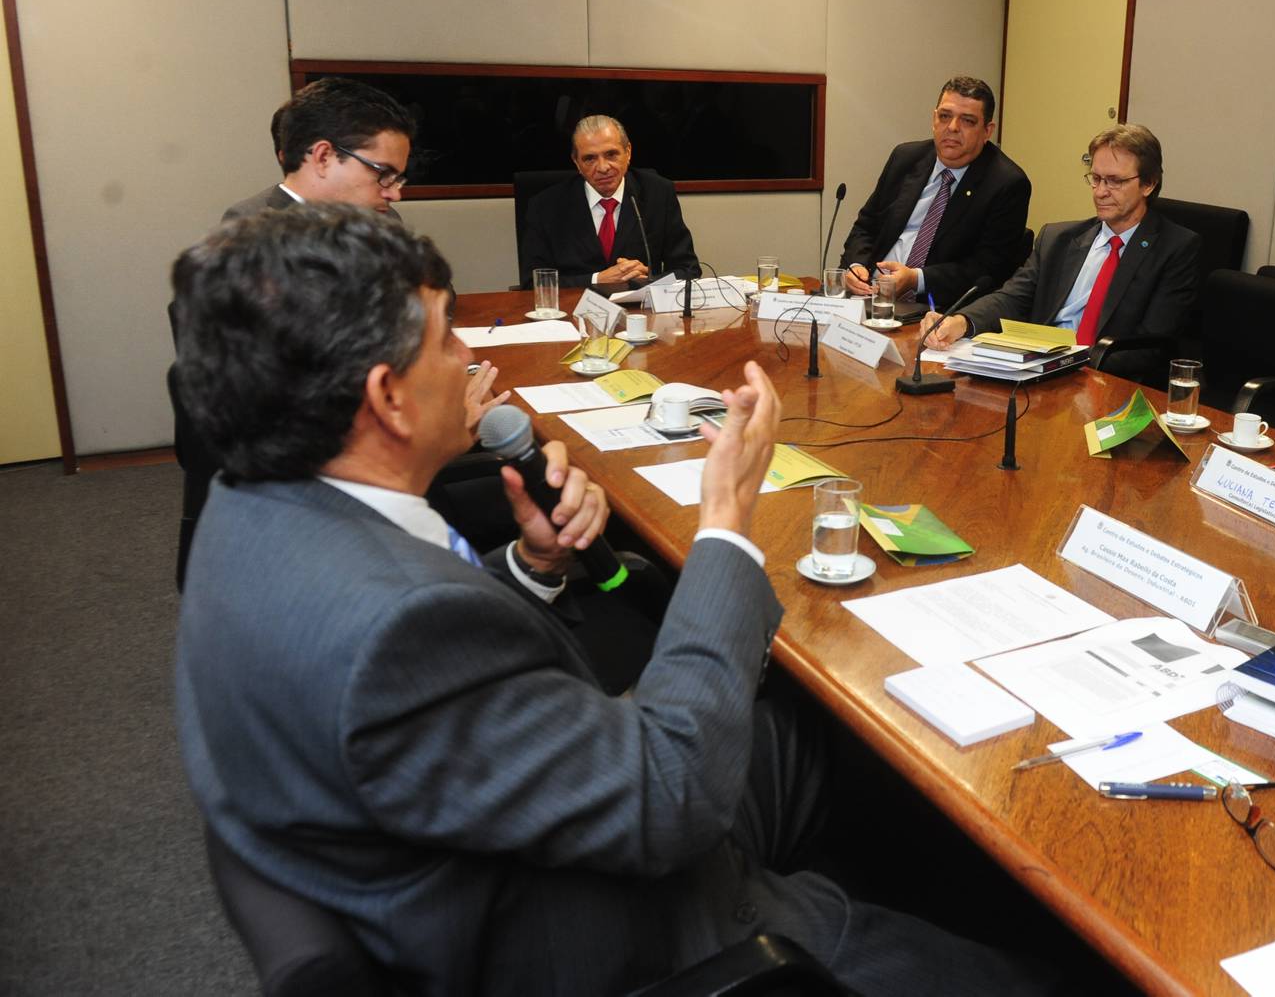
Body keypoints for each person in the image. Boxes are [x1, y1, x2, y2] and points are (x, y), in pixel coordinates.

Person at [171, 205, 1038, 995]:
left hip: (518, 802)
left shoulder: (248, 510)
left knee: (831, 721)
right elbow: (674, 794)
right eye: (444, 338)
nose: (468, 357)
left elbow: (436, 690)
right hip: (628, 919)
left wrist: (530, 565)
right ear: (386, 398)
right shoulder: (395, 630)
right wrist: (726, 522)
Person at [922, 124, 1199, 383]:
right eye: (1096, 179)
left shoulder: (1176, 248)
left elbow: (1152, 345)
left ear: (1148, 184)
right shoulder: (1058, 239)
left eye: (1114, 181)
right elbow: (1013, 298)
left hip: (1104, 378)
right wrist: (961, 322)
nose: (1100, 192)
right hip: (1037, 371)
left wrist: (1070, 362)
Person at [840, 76, 1031, 304]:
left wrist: (916, 279)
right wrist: (856, 266)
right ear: (934, 119)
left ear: (987, 131)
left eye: (967, 121)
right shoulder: (905, 158)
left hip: (935, 308)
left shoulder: (1007, 183)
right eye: (945, 116)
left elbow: (988, 269)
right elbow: (866, 226)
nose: (952, 128)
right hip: (868, 295)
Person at [519, 114, 700, 288]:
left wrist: (651, 280)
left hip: (640, 307)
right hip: (574, 306)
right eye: (590, 158)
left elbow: (689, 270)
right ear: (576, 162)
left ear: (628, 152)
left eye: (611, 154)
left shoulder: (658, 193)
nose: (603, 167)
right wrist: (597, 279)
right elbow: (532, 282)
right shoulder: (546, 206)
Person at [223, 77, 416, 219]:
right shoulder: (252, 227)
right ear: (323, 157)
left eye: (396, 179)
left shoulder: (386, 220)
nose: (395, 194)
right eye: (382, 173)